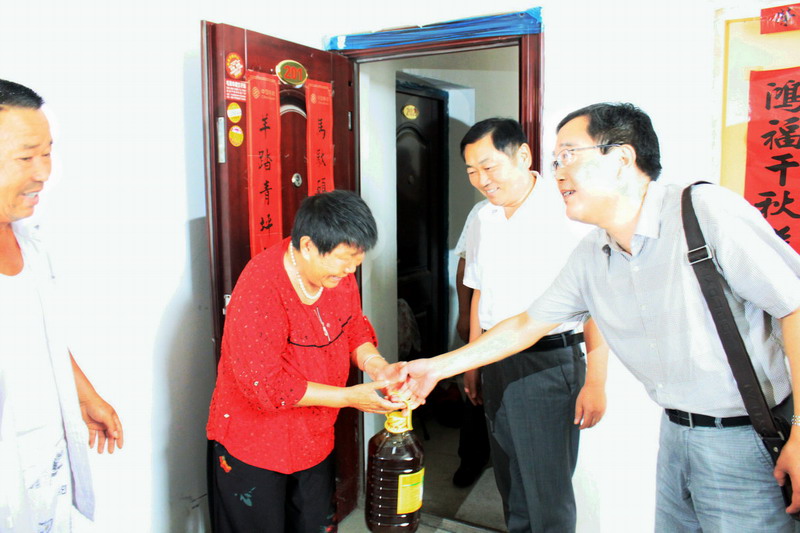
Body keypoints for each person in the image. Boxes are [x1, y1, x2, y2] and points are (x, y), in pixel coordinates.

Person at [407, 102, 800, 532]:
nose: (558, 172)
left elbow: (794, 306)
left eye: (569, 155)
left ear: (622, 158)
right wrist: (435, 368)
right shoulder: (594, 252)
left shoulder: (704, 213)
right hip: (675, 429)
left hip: (745, 436)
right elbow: (525, 324)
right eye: (556, 160)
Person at [206, 190, 415, 532]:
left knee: (312, 523)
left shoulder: (338, 277)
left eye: (357, 259)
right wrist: (349, 398)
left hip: (313, 436)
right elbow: (265, 385)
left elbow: (353, 328)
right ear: (307, 246)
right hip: (255, 443)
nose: (350, 269)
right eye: (344, 259)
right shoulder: (261, 286)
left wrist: (378, 366)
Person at [456, 118, 608, 532]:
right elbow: (479, 293)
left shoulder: (568, 212)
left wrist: (596, 381)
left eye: (489, 167)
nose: (482, 180)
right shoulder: (483, 218)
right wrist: (473, 363)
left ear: (523, 156)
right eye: (472, 171)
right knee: (511, 483)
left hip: (547, 365)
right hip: (495, 360)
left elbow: (597, 304)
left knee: (547, 495)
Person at [0, 79, 124, 532]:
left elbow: (40, 336)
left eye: (47, 153)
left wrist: (84, 394)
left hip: (43, 464)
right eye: (26, 157)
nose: (43, 173)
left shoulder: (30, 243)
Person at [451, 199, 490, 488]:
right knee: (475, 389)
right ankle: (471, 459)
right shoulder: (480, 211)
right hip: (484, 320)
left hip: (529, 328)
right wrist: (464, 313)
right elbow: (464, 265)